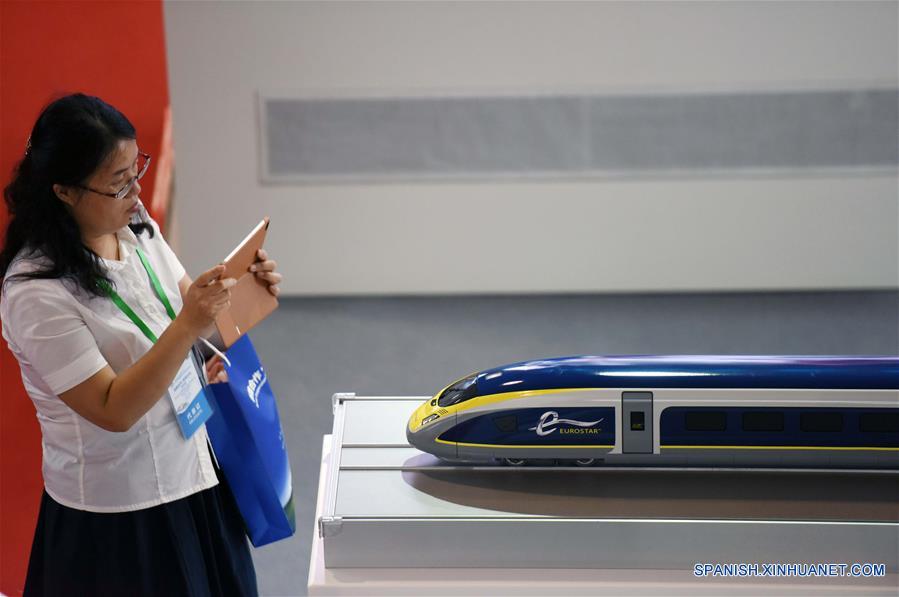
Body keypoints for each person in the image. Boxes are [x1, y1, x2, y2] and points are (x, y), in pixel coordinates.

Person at [0, 93, 282, 596]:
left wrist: (245, 295)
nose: (136, 192)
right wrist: (190, 323)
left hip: (196, 473)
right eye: (118, 182)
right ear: (64, 191)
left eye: (137, 171)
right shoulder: (34, 291)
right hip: (119, 512)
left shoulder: (137, 230)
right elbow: (112, 408)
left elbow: (195, 335)